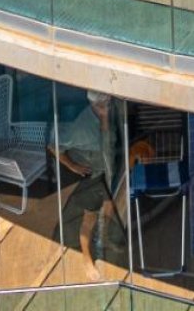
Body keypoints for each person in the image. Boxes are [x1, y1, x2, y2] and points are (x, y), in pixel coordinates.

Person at [58, 90, 126, 270]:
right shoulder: (81, 129)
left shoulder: (110, 115)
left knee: (110, 208)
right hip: (92, 178)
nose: (110, 104)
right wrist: (72, 166)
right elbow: (54, 145)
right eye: (106, 102)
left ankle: (105, 238)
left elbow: (110, 145)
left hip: (109, 174)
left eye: (110, 101)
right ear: (96, 104)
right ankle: (87, 258)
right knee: (89, 219)